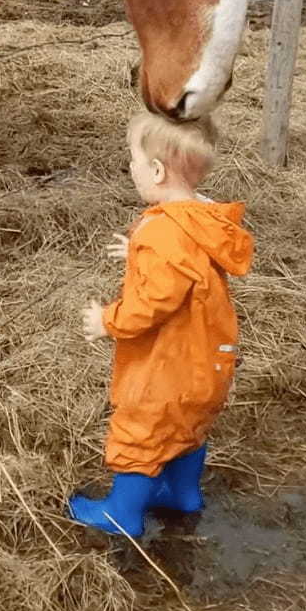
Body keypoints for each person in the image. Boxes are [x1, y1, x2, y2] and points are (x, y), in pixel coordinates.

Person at [68, 111, 253, 537]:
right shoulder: (202, 220)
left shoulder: (162, 233)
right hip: (207, 363)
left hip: (167, 366)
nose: (130, 167)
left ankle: (121, 514)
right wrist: (137, 250)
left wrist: (107, 321)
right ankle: (182, 494)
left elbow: (153, 301)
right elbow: (185, 267)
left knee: (141, 430)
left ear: (155, 169)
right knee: (189, 425)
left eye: (132, 159)